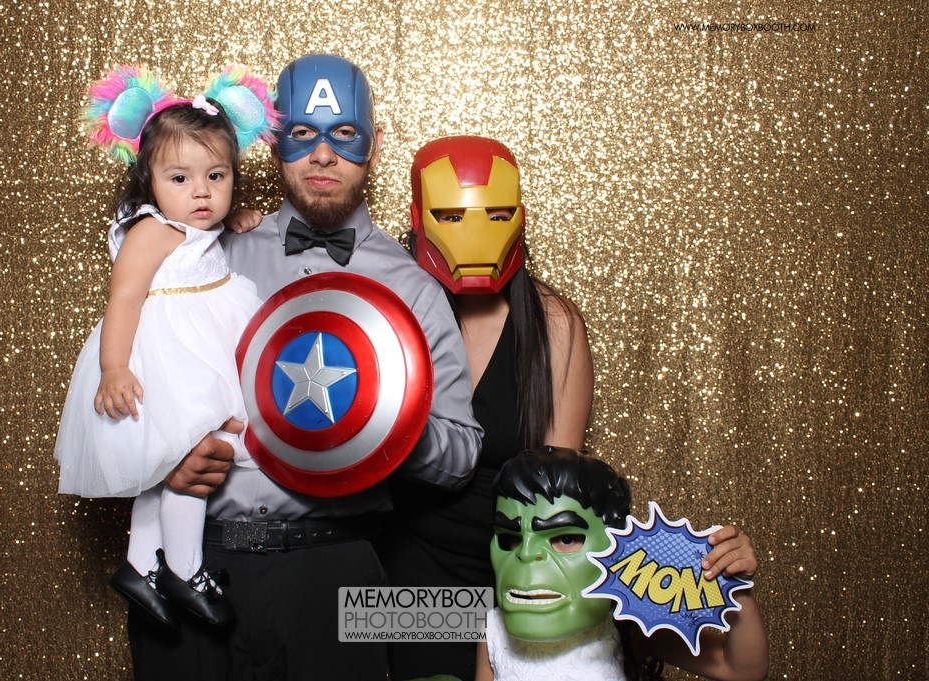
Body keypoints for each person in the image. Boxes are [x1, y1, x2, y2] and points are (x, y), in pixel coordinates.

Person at [127, 54, 482, 681]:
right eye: (302, 133)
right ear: (274, 145)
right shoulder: (205, 252)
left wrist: (384, 420)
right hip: (195, 565)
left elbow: (461, 457)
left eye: (344, 134)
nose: (322, 155)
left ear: (374, 146)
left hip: (337, 573)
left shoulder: (414, 286)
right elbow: (129, 381)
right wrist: (165, 457)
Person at [54, 66, 278, 628]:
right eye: (180, 178)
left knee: (170, 465)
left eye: (216, 176)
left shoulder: (198, 225)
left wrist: (235, 218)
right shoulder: (152, 230)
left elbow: (209, 229)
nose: (201, 191)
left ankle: (140, 565)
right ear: (149, 181)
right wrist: (113, 368)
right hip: (168, 356)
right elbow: (124, 297)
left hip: (202, 345)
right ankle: (185, 568)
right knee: (195, 452)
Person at [376, 135, 594, 680]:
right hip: (399, 583)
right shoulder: (384, 307)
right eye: (451, 215)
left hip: (516, 577)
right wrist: (244, 229)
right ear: (419, 219)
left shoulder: (553, 324)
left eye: (496, 215)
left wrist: (511, 618)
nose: (474, 232)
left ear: (519, 218)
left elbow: (557, 495)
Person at [477, 448, 769, 681]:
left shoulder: (630, 624)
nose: (527, 554)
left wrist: (733, 583)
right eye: (510, 539)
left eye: (565, 538)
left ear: (617, 544)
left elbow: (742, 670)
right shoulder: (493, 628)